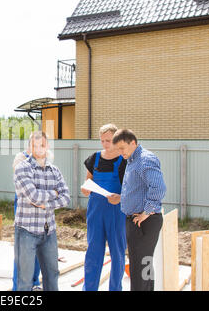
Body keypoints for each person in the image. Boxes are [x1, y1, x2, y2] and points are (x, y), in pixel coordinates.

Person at [109, 129, 166, 291]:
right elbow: (138, 189)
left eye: (122, 148)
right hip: (135, 219)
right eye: (117, 149)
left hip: (144, 221)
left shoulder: (145, 159)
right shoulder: (133, 160)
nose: (120, 153)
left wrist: (146, 213)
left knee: (141, 266)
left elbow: (159, 188)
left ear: (132, 142)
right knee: (140, 265)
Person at [13, 131, 70, 291]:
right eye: (34, 145)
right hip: (26, 231)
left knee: (52, 275)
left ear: (48, 146)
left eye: (42, 145)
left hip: (49, 231)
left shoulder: (54, 170)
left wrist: (47, 205)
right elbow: (34, 196)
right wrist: (54, 193)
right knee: (24, 280)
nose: (38, 149)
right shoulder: (22, 168)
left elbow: (66, 198)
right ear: (29, 147)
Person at [81, 124, 127, 291]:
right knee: (93, 252)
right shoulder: (94, 158)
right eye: (102, 141)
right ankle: (89, 288)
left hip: (117, 212)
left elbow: (131, 190)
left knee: (118, 254)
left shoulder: (125, 161)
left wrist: (121, 198)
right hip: (95, 212)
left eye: (108, 140)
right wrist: (85, 189)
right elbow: (88, 182)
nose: (105, 144)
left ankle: (116, 288)